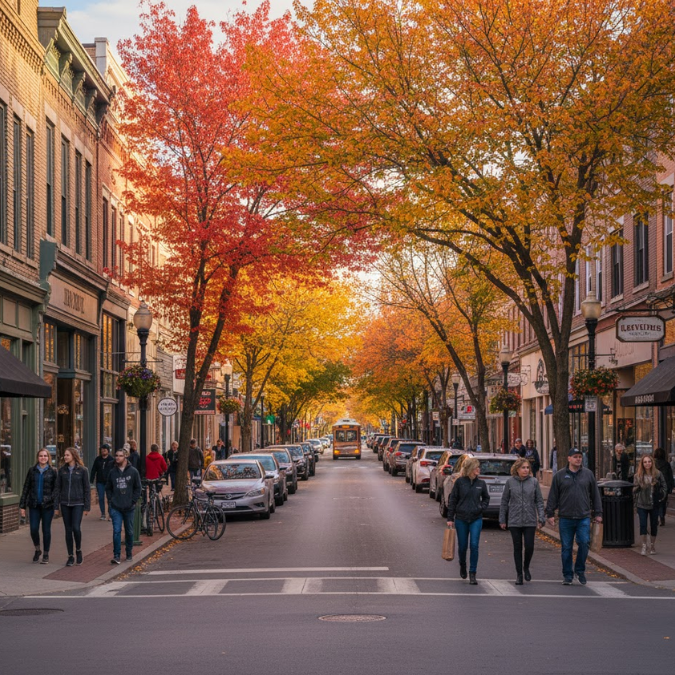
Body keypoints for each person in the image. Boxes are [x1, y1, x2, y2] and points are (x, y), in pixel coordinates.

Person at [546, 448, 602, 585]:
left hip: (583, 516)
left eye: (580, 457)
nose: (578, 459)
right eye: (575, 457)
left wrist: (598, 513)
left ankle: (580, 570)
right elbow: (553, 495)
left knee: (584, 542)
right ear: (569, 458)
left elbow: (595, 495)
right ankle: (567, 575)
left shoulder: (588, 475)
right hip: (565, 517)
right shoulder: (560, 476)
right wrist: (550, 513)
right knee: (566, 547)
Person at [499, 458, 545, 585]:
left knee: (529, 546)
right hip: (514, 520)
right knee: (517, 548)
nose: (526, 470)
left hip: (530, 520)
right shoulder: (510, 482)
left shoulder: (534, 482)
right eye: (523, 468)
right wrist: (502, 519)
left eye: (527, 468)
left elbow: (539, 501)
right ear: (517, 469)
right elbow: (504, 502)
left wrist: (541, 517)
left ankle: (526, 567)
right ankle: (519, 574)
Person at [446, 457, 489, 585]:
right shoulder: (460, 482)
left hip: (476, 518)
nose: (479, 469)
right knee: (463, 546)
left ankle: (472, 572)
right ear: (471, 468)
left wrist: (481, 507)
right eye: (477, 467)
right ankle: (462, 564)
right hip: (461, 518)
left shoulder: (481, 484)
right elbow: (453, 500)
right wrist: (450, 518)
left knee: (474, 545)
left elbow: (486, 498)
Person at [19, 448, 57, 564]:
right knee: (33, 529)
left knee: (46, 530)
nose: (43, 458)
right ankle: (37, 549)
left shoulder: (53, 471)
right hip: (34, 505)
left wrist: (55, 505)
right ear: (38, 457)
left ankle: (46, 554)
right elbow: (26, 488)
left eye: (45, 456)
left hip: (47, 506)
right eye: (41, 456)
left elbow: (56, 490)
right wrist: (22, 506)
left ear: (48, 458)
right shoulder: (32, 471)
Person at [54, 447, 90, 567]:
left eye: (67, 455)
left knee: (76, 528)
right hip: (65, 503)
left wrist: (87, 507)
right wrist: (56, 506)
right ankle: (70, 556)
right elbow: (57, 488)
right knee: (68, 530)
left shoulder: (83, 470)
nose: (65, 457)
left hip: (78, 503)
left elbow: (87, 489)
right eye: (64, 455)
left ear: (74, 456)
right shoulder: (62, 471)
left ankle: (78, 550)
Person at [106, 448, 142, 565]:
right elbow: (108, 488)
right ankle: (116, 555)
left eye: (120, 456)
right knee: (116, 531)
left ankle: (129, 553)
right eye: (116, 455)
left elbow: (138, 488)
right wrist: (111, 501)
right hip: (116, 507)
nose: (117, 458)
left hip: (129, 507)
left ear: (125, 457)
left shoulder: (133, 471)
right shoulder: (112, 472)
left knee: (129, 531)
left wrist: (133, 501)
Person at [633, 454, 668, 555]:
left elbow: (664, 486)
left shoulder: (657, 474)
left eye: (649, 461)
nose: (647, 464)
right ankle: (644, 546)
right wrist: (640, 486)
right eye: (645, 462)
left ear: (652, 463)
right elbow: (634, 490)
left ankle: (652, 545)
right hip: (642, 504)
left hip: (654, 503)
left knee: (653, 525)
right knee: (643, 525)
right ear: (642, 464)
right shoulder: (638, 476)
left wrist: (661, 496)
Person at [90, 444, 114, 520]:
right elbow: (94, 470)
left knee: (109, 498)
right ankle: (103, 513)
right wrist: (91, 479)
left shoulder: (111, 459)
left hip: (109, 482)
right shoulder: (98, 459)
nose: (103, 451)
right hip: (100, 482)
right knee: (101, 498)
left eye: (105, 450)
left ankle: (110, 514)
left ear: (108, 451)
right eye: (102, 450)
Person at [653, 448, 673, 527]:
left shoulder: (653, 464)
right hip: (665, 486)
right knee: (662, 503)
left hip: (655, 486)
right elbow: (670, 476)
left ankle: (656, 518)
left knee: (655, 503)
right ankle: (662, 517)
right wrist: (671, 486)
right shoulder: (667, 464)